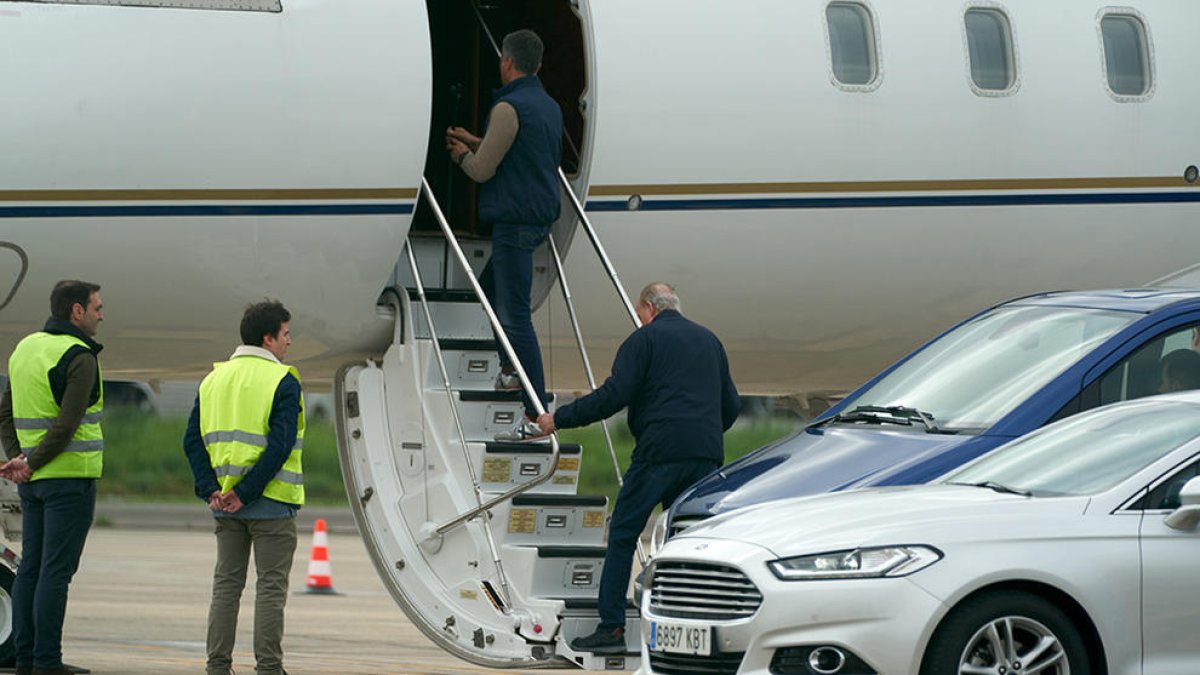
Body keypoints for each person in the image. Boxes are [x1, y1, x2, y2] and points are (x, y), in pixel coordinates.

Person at [535, 283, 741, 653]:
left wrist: (559, 418)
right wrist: (701, 433)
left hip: (659, 453)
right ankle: (688, 628)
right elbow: (731, 405)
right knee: (687, 543)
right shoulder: (710, 341)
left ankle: (612, 628)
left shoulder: (644, 340)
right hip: (705, 455)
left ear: (647, 308)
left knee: (624, 534)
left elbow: (614, 395)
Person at [446, 28, 563, 442]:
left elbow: (483, 170)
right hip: (538, 219)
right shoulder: (547, 107)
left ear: (507, 63)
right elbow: (521, 151)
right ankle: (512, 371)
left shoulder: (507, 108)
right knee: (490, 291)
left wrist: (462, 155)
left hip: (513, 223)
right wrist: (478, 140)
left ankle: (536, 413)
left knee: (514, 315)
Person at [182, 301, 305, 675]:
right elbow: (280, 446)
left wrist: (211, 490)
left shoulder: (213, 379)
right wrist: (247, 492)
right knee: (269, 588)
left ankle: (217, 667)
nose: (289, 341)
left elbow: (192, 441)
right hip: (270, 503)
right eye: (285, 334)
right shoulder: (282, 380)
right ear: (268, 338)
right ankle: (269, 668)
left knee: (226, 587)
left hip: (225, 505)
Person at [0, 280, 105, 675]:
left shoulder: (24, 348)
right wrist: (33, 461)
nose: (101, 314)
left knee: (31, 568)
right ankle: (47, 660)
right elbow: (67, 423)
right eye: (97, 307)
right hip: (69, 479)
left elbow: (5, 414)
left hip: (33, 480)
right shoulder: (80, 356)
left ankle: (27, 659)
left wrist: (20, 459)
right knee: (56, 573)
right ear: (76, 311)